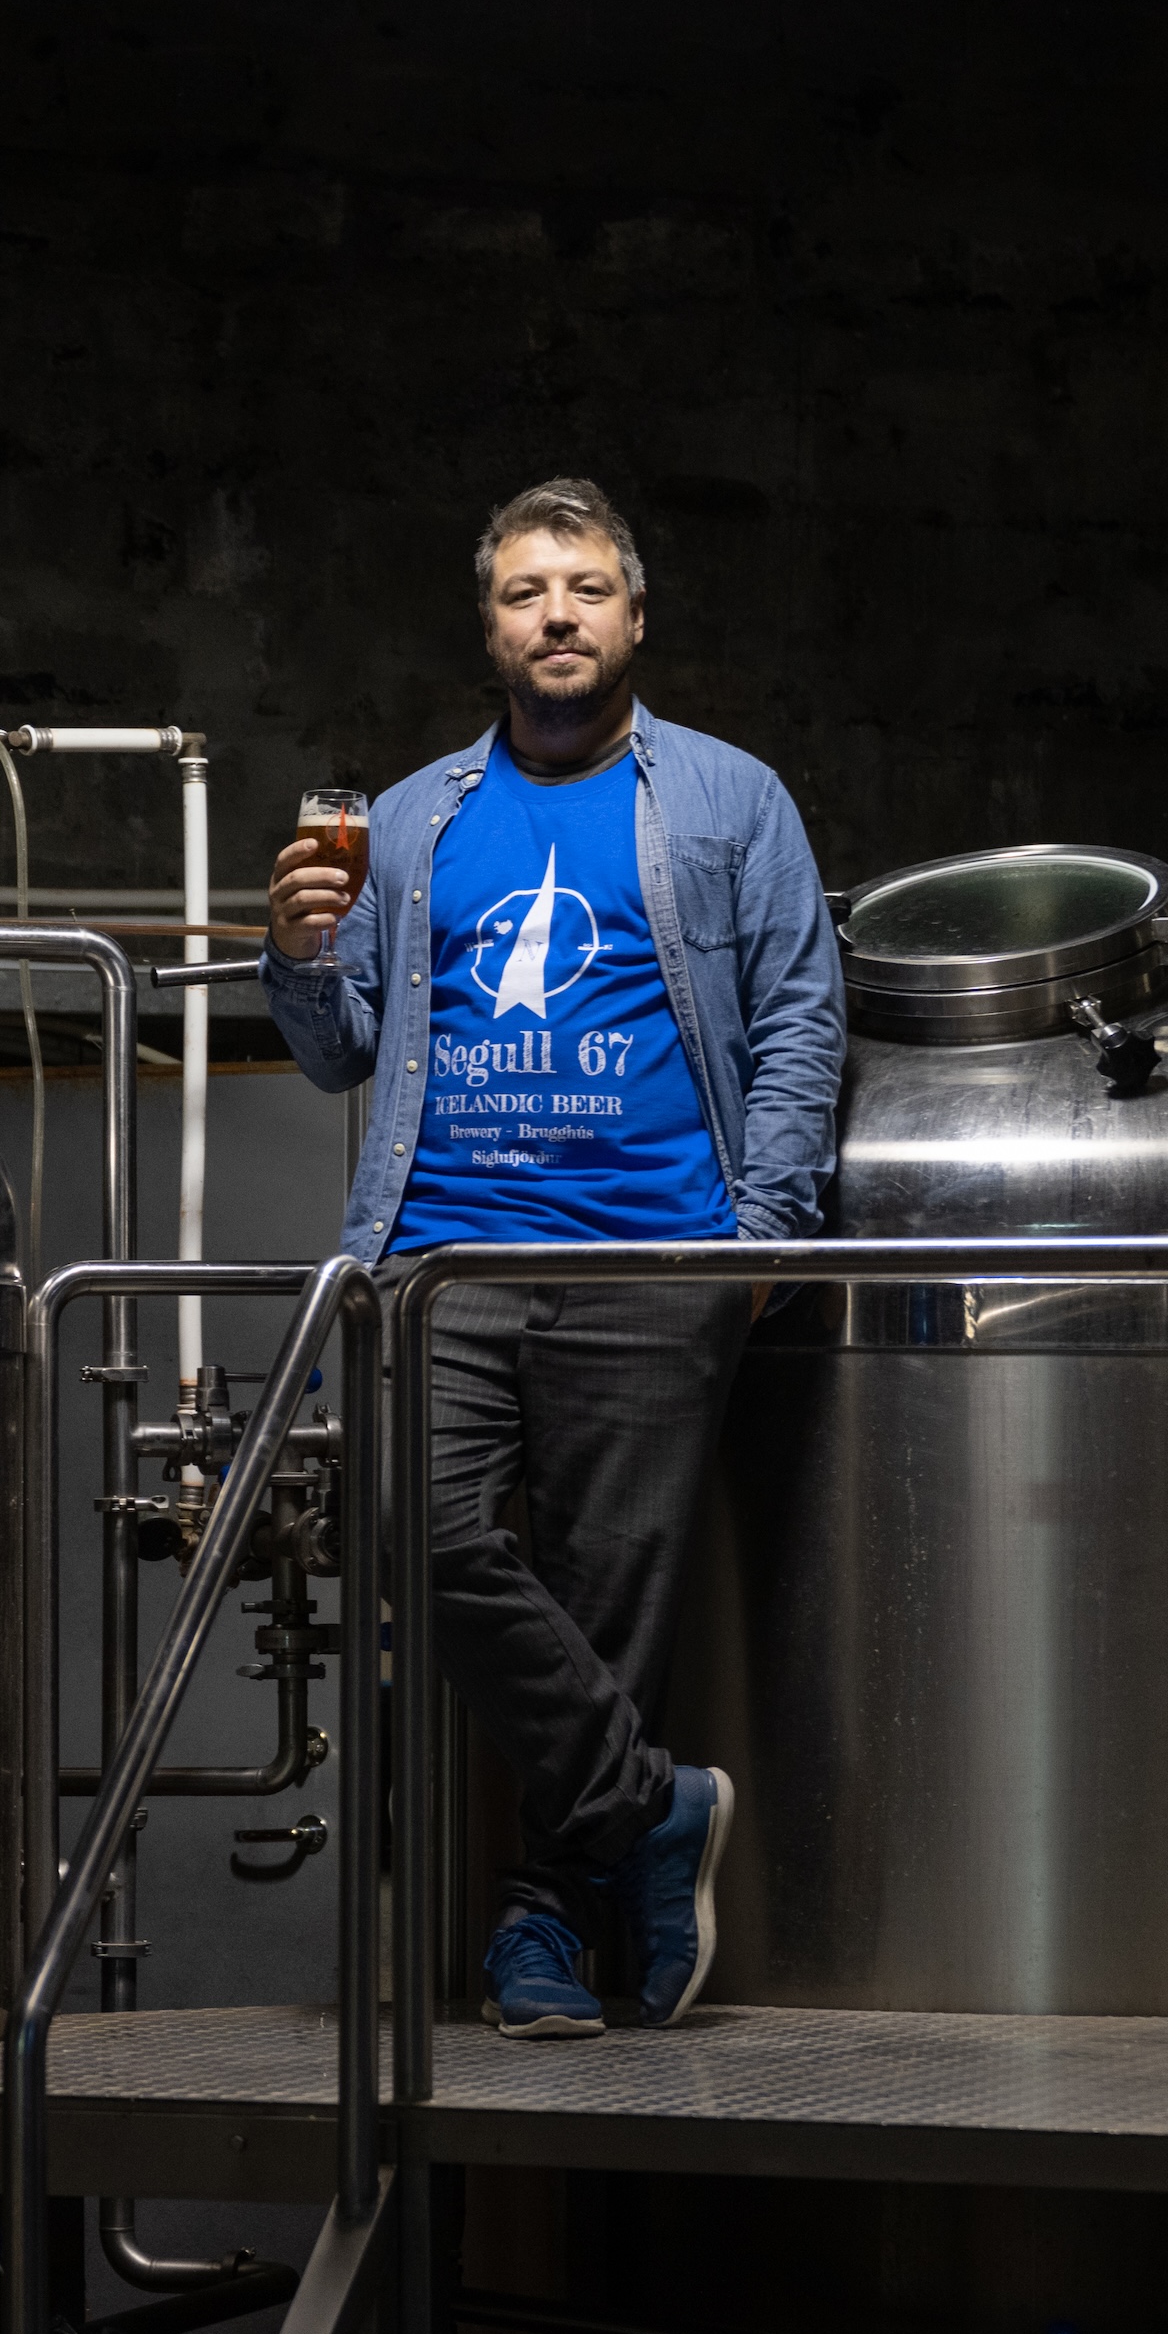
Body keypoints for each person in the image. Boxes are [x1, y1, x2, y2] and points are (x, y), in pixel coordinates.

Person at [264, 477, 844, 2039]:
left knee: (611, 1614)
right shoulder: (408, 820)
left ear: (635, 614)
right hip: (438, 1257)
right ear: (490, 627)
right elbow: (341, 1056)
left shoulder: (732, 800)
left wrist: (763, 1226)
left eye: (585, 587)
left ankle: (541, 1929)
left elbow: (799, 1014)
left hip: (659, 1260)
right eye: (526, 593)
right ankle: (656, 1812)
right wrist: (303, 955)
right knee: (397, 1525)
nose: (558, 615)